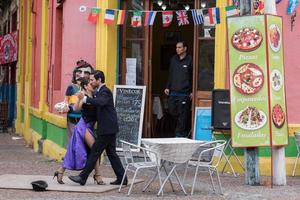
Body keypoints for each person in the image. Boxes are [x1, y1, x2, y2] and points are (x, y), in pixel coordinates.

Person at [68, 70, 127, 186]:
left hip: (107, 128)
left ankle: (83, 177)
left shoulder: (105, 92)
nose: (90, 81)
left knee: (95, 151)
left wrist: (84, 99)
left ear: (99, 80)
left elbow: (100, 102)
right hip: (108, 128)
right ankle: (122, 178)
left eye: (92, 80)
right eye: (90, 80)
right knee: (111, 153)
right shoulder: (98, 92)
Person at [53, 78, 105, 185]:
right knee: (95, 149)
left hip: (90, 127)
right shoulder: (83, 96)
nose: (93, 85)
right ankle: (98, 175)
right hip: (83, 126)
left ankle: (60, 171)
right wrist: (79, 99)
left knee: (78, 151)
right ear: (86, 86)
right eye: (91, 84)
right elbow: (76, 108)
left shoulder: (94, 96)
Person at [164, 41, 193, 138]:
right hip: (173, 92)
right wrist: (167, 86)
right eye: (176, 47)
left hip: (184, 93)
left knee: (183, 114)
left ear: (185, 48)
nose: (177, 49)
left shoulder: (190, 60)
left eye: (180, 47)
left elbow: (193, 76)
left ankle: (180, 134)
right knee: (172, 112)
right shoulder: (173, 59)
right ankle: (180, 130)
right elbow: (170, 74)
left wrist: (193, 90)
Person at [63, 60, 94, 146]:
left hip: (85, 119)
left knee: (82, 142)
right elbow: (66, 101)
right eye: (79, 72)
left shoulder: (89, 88)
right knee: (72, 140)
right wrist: (65, 107)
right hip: (72, 118)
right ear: (75, 73)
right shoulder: (71, 87)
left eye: (86, 72)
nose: (82, 75)